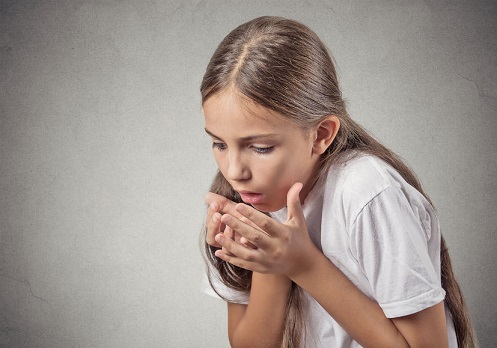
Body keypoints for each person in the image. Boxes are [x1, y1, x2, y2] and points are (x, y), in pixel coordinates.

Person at [200, 16, 476, 347]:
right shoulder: (250, 197)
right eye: (219, 144)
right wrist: (269, 261)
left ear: (321, 135)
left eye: (260, 147)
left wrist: (303, 266)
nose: (234, 171)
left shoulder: (367, 193)